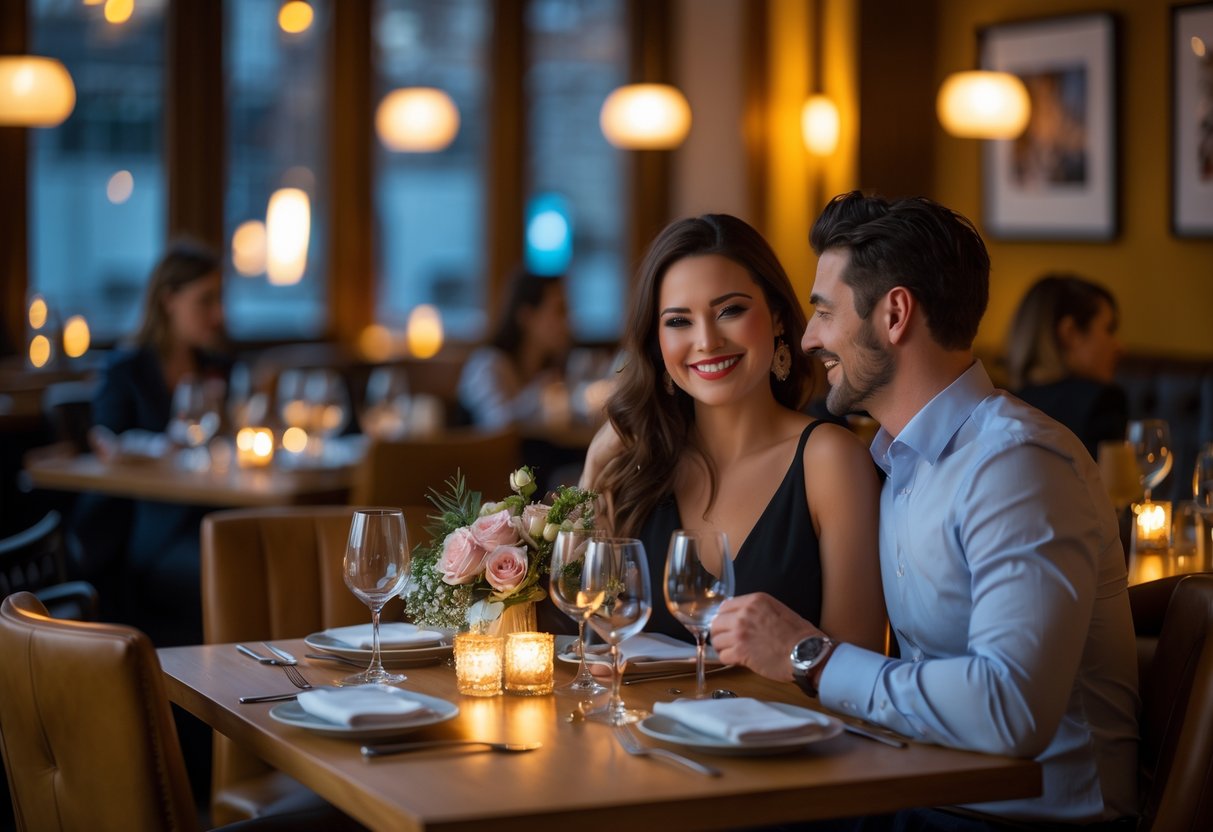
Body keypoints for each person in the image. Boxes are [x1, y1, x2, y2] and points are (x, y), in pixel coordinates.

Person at [711, 192, 1138, 829]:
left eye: (824, 311)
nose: (808, 338)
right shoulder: (901, 462)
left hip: (1029, 820)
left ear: (895, 314)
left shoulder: (1016, 464)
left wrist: (813, 656)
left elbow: (1009, 710)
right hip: (926, 794)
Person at [581, 214, 885, 652]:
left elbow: (859, 664)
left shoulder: (830, 461)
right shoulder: (632, 465)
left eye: (730, 311)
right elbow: (591, 637)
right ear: (656, 341)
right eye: (679, 321)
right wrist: (595, 462)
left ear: (778, 317)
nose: (706, 340)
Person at [83, 239, 229, 647]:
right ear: (169, 300)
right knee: (235, 571)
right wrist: (165, 448)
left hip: (207, 516)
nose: (218, 314)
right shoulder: (124, 369)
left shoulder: (216, 367)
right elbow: (106, 440)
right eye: (206, 301)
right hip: (142, 529)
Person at [1004, 273, 1127, 460]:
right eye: (1109, 329)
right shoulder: (1102, 403)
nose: (1119, 346)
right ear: (1070, 333)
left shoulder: (1003, 405)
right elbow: (1110, 487)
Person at [458, 270, 572, 430]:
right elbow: (499, 424)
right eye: (559, 311)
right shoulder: (487, 364)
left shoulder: (549, 369)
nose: (567, 321)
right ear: (526, 316)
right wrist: (541, 391)